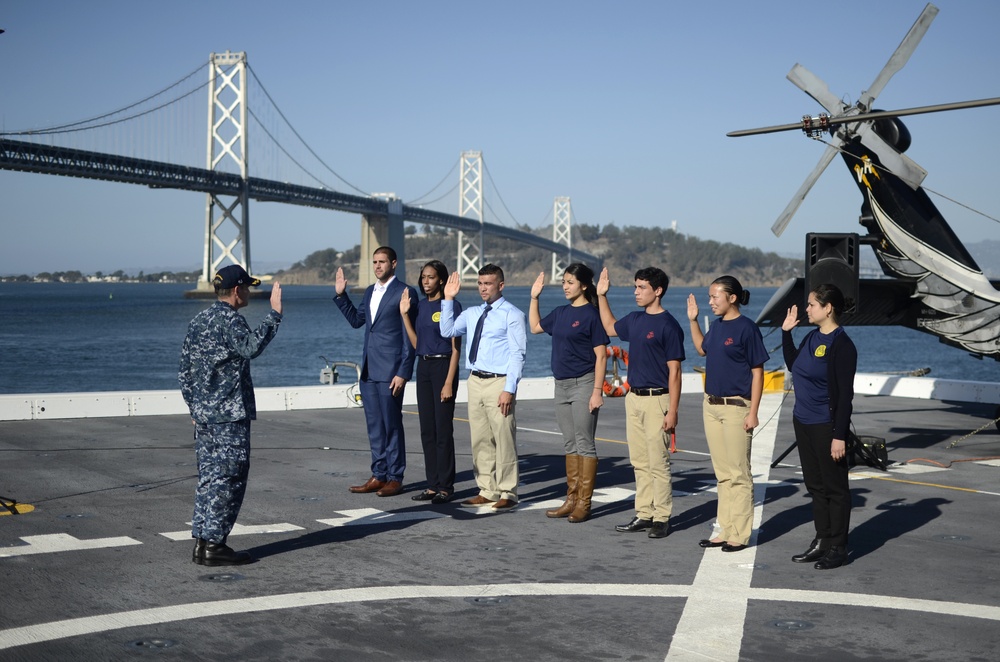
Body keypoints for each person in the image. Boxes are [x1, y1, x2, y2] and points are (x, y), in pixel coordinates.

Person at [179, 264, 283, 566]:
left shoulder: (198, 320)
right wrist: (274, 316)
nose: (249, 292)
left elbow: (185, 372)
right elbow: (250, 347)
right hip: (229, 417)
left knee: (210, 478)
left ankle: (203, 541)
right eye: (247, 287)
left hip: (206, 418)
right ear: (237, 290)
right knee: (229, 479)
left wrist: (195, 408)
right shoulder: (230, 321)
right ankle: (215, 544)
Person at [596, 266, 685, 539]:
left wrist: (673, 410)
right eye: (635, 287)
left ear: (657, 291)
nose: (636, 292)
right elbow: (610, 326)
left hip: (658, 400)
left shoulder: (669, 326)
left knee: (658, 462)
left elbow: (675, 372)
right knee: (639, 461)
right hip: (633, 398)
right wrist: (601, 296)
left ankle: (662, 517)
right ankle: (644, 513)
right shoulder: (635, 319)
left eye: (642, 287)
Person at [686, 276, 769, 552]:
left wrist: (753, 411)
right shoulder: (718, 327)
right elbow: (701, 349)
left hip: (737, 408)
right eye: (709, 297)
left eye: (714, 297)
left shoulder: (747, 329)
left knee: (739, 473)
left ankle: (740, 534)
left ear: (732, 298)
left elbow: (758, 373)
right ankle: (724, 529)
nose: (710, 301)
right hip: (711, 406)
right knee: (722, 474)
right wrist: (694, 320)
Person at [781, 283, 857, 570]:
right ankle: (822, 540)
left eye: (812, 304)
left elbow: (845, 396)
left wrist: (839, 436)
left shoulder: (842, 344)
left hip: (827, 425)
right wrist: (786, 333)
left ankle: (839, 546)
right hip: (803, 421)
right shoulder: (812, 337)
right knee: (815, 486)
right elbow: (793, 364)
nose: (807, 309)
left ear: (828, 308)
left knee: (835, 488)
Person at [439, 264, 526, 511]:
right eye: (480, 283)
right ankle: (487, 490)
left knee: (504, 438)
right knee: (480, 440)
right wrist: (447, 298)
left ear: (501, 285)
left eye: (488, 283)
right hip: (475, 380)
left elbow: (518, 355)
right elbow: (447, 331)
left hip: (499, 381)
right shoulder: (472, 312)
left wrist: (509, 388)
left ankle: (508, 492)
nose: (483, 288)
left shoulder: (512, 314)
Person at [334, 246, 418, 498]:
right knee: (374, 426)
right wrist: (341, 296)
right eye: (375, 262)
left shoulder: (406, 292)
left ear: (394, 263)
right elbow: (357, 321)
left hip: (391, 370)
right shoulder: (370, 291)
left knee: (392, 425)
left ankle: (395, 477)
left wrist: (403, 372)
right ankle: (378, 474)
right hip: (369, 369)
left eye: (382, 261)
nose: (378, 266)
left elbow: (409, 337)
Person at [528, 264, 609, 523]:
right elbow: (535, 328)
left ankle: (584, 503)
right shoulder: (561, 312)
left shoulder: (591, 315)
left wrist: (597, 391)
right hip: (560, 385)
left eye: (570, 282)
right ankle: (571, 499)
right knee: (569, 443)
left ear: (584, 285)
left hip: (584, 384)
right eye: (563, 281)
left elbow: (601, 356)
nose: (565, 286)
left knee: (584, 443)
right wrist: (534, 297)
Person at [400, 260, 462, 505]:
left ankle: (446, 487)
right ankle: (432, 485)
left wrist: (449, 381)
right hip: (423, 366)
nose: (426, 281)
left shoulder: (451, 305)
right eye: (423, 277)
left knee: (443, 430)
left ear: (442, 280)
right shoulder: (421, 307)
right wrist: (405, 315)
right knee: (427, 430)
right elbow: (417, 343)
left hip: (443, 366)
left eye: (431, 277)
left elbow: (456, 348)